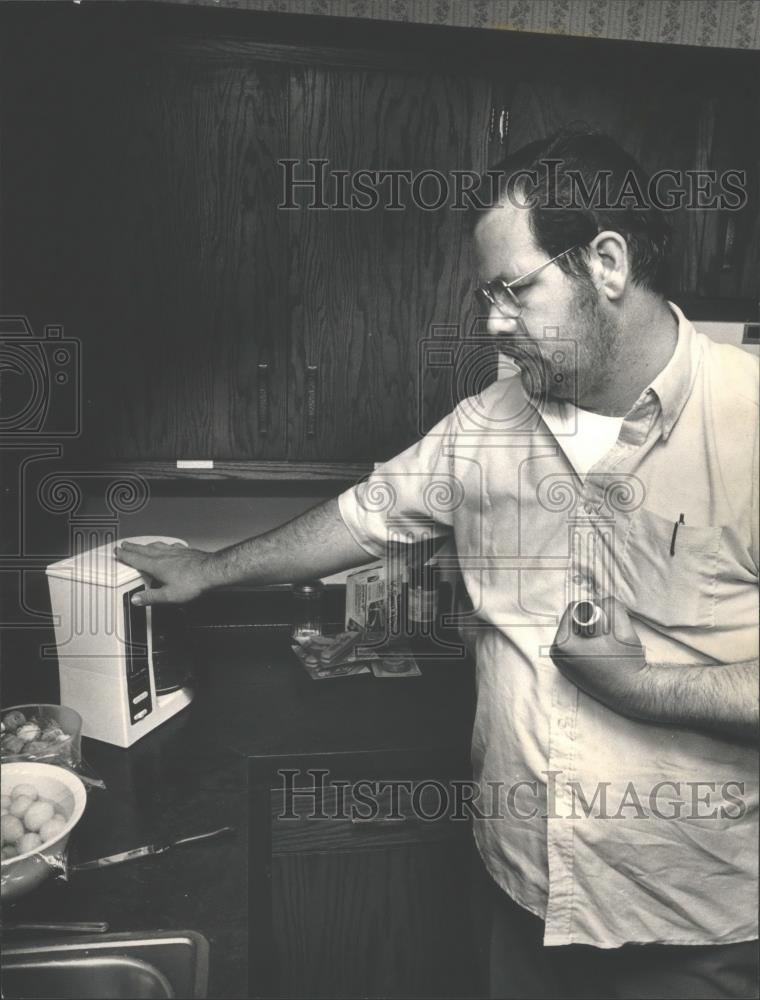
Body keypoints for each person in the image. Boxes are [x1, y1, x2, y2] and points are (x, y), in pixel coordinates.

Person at [115, 129, 759, 999]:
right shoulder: (489, 421)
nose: (493, 320)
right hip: (523, 891)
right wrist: (212, 569)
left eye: (512, 289)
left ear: (607, 263)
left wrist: (643, 688)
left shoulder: (747, 422)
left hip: (691, 920)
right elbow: (364, 516)